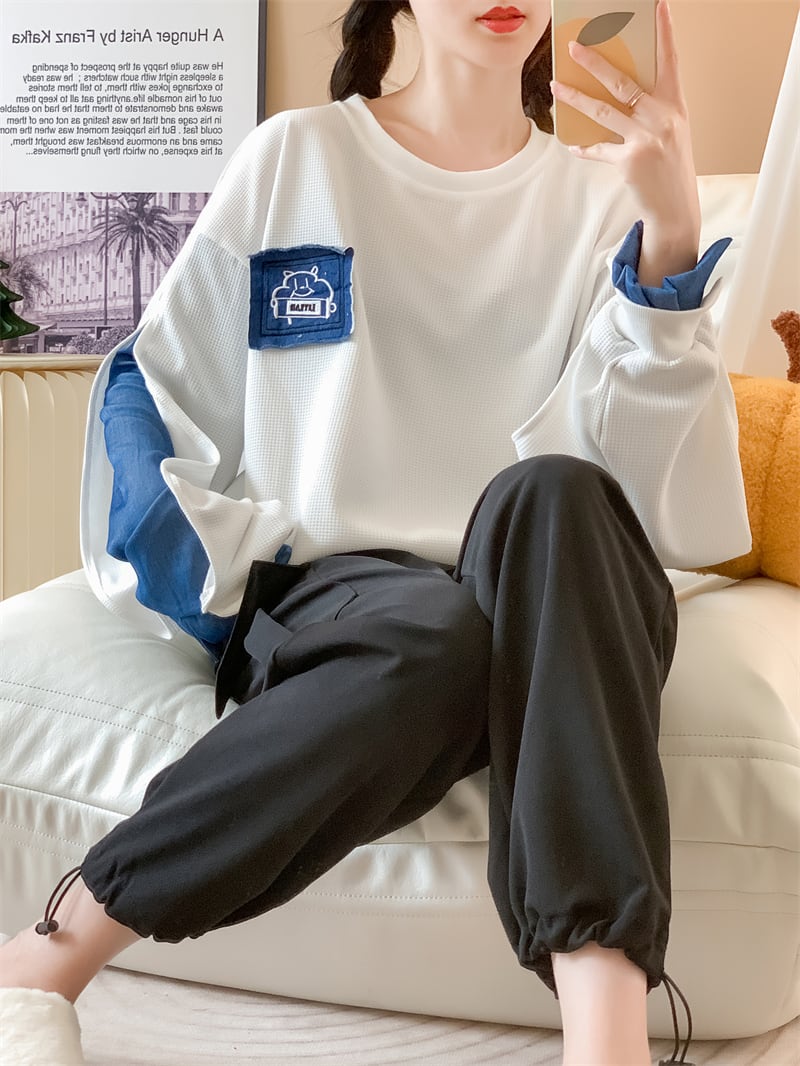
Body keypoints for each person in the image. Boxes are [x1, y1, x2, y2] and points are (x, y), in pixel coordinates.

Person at [0, 2, 749, 1064]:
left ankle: (607, 1041)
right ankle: (49, 954)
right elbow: (155, 395)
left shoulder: (603, 199)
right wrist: (222, 585)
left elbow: (652, 504)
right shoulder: (296, 160)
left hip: (548, 582)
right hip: (343, 605)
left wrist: (668, 239)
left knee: (555, 494)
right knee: (442, 639)